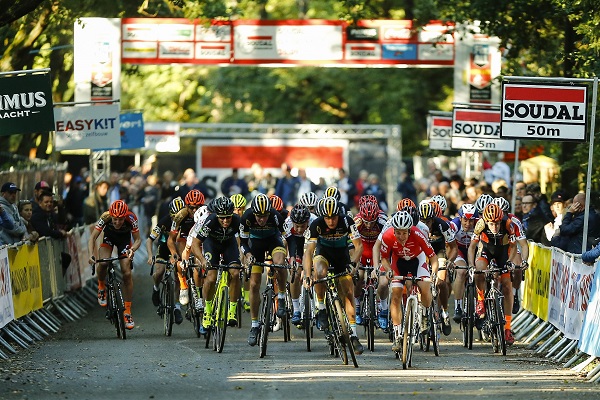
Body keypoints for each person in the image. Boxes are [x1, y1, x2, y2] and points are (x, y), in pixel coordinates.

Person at [303, 196, 365, 355]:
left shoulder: (347, 222)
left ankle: (353, 335)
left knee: (348, 291)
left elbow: (359, 247)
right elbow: (309, 252)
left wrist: (353, 262)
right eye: (327, 218)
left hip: (342, 257)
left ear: (339, 214)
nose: (331, 221)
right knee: (321, 273)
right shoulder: (316, 224)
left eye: (334, 217)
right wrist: (308, 275)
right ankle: (321, 308)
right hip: (323, 254)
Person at [373, 211, 438, 353]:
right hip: (398, 262)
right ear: (394, 230)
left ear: (410, 230)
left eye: (404, 233)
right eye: (398, 233)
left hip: (417, 260)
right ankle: (397, 334)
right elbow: (384, 258)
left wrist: (433, 274)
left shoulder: (418, 234)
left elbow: (433, 258)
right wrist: (388, 269)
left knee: (424, 286)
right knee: (395, 293)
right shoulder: (388, 236)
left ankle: (426, 313)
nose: (401, 237)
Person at [468, 203, 528, 346]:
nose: (494, 227)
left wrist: (510, 261)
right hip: (486, 250)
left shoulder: (508, 223)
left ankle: (507, 329)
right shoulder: (480, 224)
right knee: (479, 271)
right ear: (486, 221)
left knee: (507, 286)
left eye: (496, 224)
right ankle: (481, 299)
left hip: (504, 251)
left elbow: (515, 247)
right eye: (491, 224)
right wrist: (471, 265)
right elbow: (472, 247)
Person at [240, 193, 288, 346]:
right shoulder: (246, 217)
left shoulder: (275, 217)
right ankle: (254, 325)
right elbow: (242, 241)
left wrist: (287, 255)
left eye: (264, 216)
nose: (261, 219)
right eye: (258, 216)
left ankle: (281, 297)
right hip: (255, 245)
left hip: (273, 241)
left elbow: (286, 238)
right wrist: (247, 255)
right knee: (254, 284)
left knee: (280, 263)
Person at [189, 197, 243, 328]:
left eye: (228, 218)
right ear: (216, 216)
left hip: (228, 245)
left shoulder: (237, 221)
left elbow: (243, 240)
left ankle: (232, 310)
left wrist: (244, 256)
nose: (225, 221)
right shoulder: (210, 221)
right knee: (211, 277)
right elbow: (195, 244)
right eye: (222, 218)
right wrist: (202, 259)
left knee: (235, 273)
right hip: (211, 245)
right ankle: (207, 310)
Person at [88, 200, 142, 330]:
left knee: (127, 272)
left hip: (124, 241)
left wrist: (132, 250)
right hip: (108, 239)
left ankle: (127, 311)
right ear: (110, 216)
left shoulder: (131, 218)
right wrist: (91, 254)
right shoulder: (105, 217)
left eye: (121, 220)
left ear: (125, 216)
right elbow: (92, 238)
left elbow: (138, 239)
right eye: (115, 219)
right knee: (104, 262)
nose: (117, 222)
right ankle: (101, 286)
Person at [353, 198, 387, 328]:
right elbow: (351, 242)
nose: (368, 225)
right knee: (359, 276)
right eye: (366, 222)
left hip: (376, 249)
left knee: (381, 278)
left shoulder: (383, 220)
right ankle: (356, 306)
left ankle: (382, 308)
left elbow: (387, 241)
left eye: (372, 222)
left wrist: (381, 261)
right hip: (362, 249)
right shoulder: (356, 221)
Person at [145, 197, 185, 310]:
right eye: (174, 216)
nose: (176, 219)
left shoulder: (187, 221)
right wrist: (149, 256)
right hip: (163, 247)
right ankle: (156, 287)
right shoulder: (164, 221)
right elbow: (149, 240)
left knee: (179, 274)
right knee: (159, 271)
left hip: (178, 248)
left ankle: (177, 304)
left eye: (179, 217)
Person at [283, 204, 314, 326]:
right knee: (295, 274)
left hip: (309, 243)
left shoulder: (314, 221)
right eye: (297, 226)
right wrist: (287, 259)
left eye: (302, 226)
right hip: (294, 244)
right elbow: (285, 243)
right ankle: (296, 309)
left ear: (308, 221)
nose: (300, 229)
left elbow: (314, 247)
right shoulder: (287, 223)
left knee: (312, 270)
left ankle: (315, 305)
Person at [450, 204, 478, 323]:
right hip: (459, 250)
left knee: (479, 274)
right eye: (465, 220)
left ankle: (479, 306)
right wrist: (450, 260)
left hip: (476, 250)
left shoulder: (479, 224)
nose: (468, 224)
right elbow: (449, 245)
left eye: (471, 221)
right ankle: (458, 306)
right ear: (460, 218)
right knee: (461, 272)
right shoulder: (454, 225)